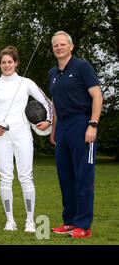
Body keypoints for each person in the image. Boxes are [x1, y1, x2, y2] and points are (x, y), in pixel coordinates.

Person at [0, 46, 53, 233]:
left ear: (16, 63)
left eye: (10, 62)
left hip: (22, 134)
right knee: (5, 178)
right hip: (1, 136)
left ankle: (30, 221)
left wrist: (47, 121)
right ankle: (10, 221)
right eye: (3, 62)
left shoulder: (26, 82)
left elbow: (46, 102)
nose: (7, 65)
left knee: (26, 177)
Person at [48, 31, 103, 238]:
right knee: (65, 176)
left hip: (81, 123)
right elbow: (55, 102)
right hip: (62, 126)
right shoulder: (52, 73)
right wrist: (54, 128)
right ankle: (69, 221)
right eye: (56, 45)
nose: (59, 47)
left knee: (83, 176)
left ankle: (84, 226)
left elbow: (97, 95)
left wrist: (93, 124)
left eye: (63, 44)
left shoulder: (82, 67)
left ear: (71, 47)